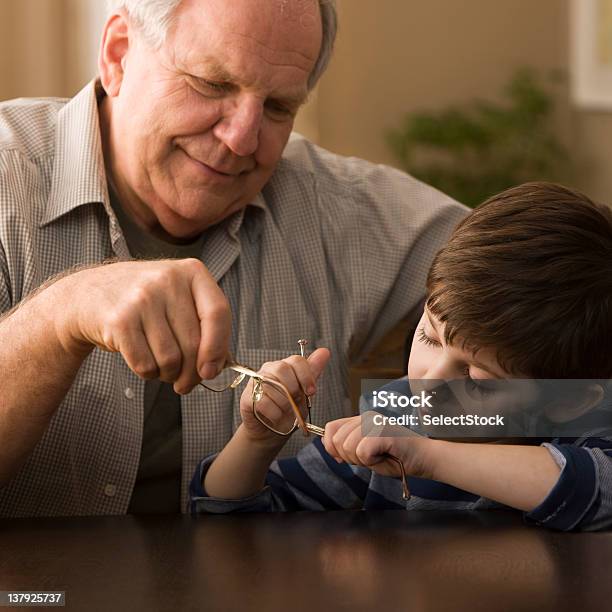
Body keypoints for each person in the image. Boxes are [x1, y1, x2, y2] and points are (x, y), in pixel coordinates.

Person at [0, 0, 467, 517]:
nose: (242, 138)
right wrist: (60, 315)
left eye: (278, 108)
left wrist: (437, 431)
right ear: (118, 55)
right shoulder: (8, 183)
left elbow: (560, 310)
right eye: (212, 84)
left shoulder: (342, 211)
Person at [192, 182, 612, 531]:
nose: (431, 383)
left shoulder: (589, 433)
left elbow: (593, 487)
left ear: (568, 400)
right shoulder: (395, 419)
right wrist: (257, 440)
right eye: (429, 338)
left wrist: (429, 457)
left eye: (478, 378)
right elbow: (230, 519)